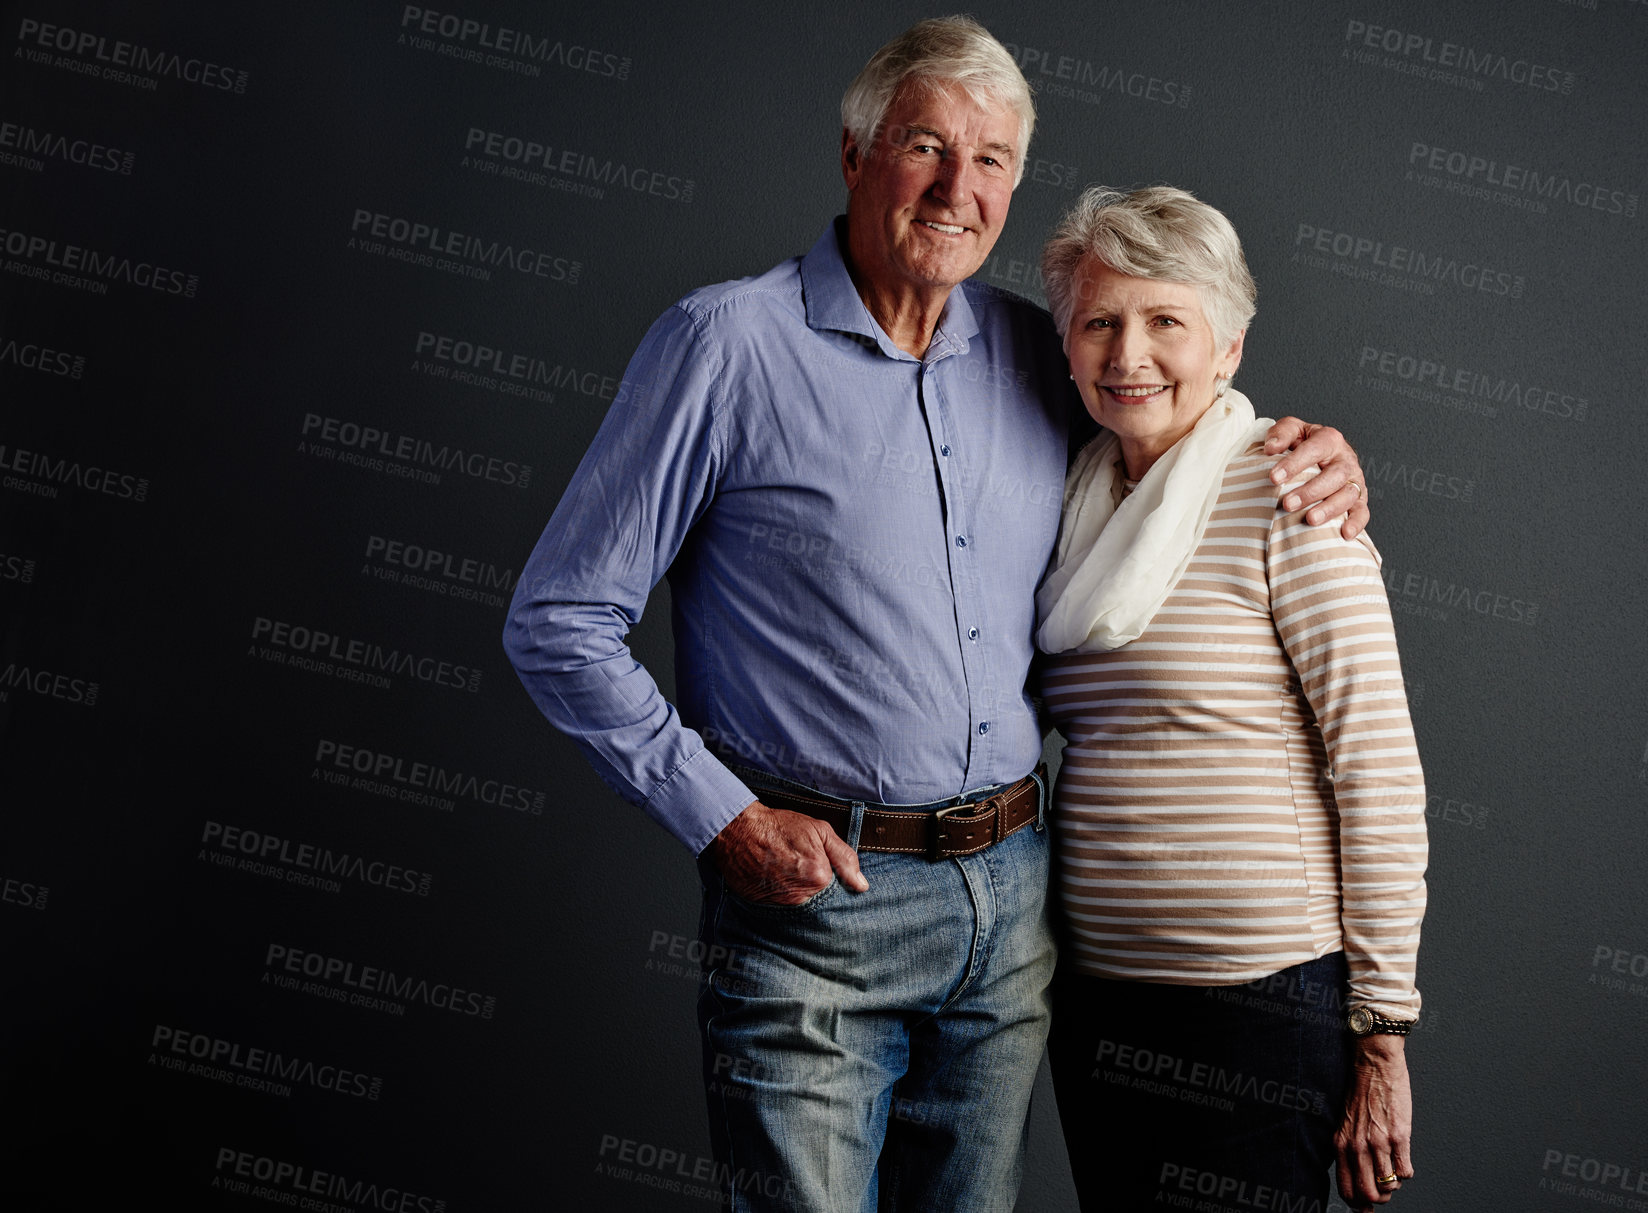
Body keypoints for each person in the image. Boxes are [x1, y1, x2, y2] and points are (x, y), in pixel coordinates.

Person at [503, 20, 1369, 1212]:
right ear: (856, 154)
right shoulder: (724, 347)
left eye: (995, 160)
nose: (960, 189)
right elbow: (558, 621)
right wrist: (725, 823)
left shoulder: (1036, 348)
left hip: (1014, 907)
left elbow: (1173, 438)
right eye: (926, 145)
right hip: (814, 910)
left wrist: (1308, 448)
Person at [1035, 185, 1426, 1213]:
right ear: (1066, 346)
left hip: (1259, 1010)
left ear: (1229, 350)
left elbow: (1377, 766)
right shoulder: (1066, 499)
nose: (1129, 355)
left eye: (1167, 321)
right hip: (1097, 1002)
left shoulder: (1290, 492)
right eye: (1099, 322)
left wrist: (1380, 1030)